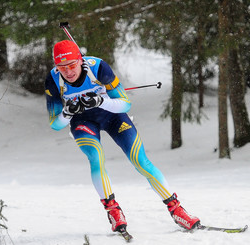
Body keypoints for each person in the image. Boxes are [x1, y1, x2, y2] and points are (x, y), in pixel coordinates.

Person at [45, 40, 200, 233]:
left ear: (80, 60)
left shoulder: (98, 67)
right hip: (83, 122)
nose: (68, 72)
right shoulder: (53, 79)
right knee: (96, 158)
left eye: (71, 65)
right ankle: (114, 211)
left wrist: (101, 100)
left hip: (112, 116)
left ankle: (177, 210)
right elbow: (55, 124)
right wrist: (67, 113)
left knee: (140, 160)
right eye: (61, 67)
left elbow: (125, 104)